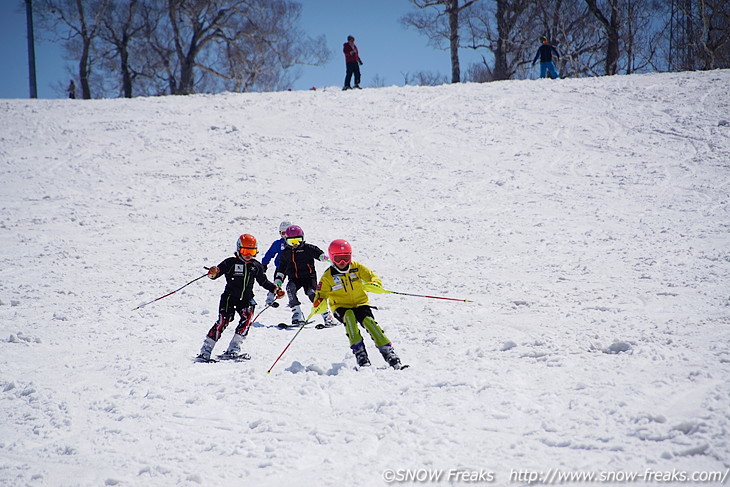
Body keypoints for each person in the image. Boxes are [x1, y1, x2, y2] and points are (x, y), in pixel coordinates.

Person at [313, 239, 405, 369]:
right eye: (338, 259)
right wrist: (319, 302)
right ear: (332, 258)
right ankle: (360, 354)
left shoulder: (357, 267)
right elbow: (321, 293)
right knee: (349, 317)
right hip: (340, 306)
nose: (343, 263)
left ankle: (389, 353)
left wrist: (375, 284)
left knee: (369, 322)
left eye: (346, 258)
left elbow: (373, 277)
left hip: (360, 303)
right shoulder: (328, 276)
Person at [196, 234, 284, 362]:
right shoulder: (231, 262)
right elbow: (216, 273)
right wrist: (213, 272)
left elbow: (263, 281)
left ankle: (233, 349)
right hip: (229, 298)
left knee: (247, 320)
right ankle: (205, 350)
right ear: (238, 249)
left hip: (246, 299)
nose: (248, 255)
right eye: (245, 251)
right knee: (223, 321)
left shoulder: (255, 266)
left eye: (252, 251)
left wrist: (276, 289)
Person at [274, 225, 337, 327]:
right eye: (291, 242)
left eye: (297, 241)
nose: (295, 244)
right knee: (290, 289)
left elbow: (318, 253)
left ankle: (327, 316)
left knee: (312, 293)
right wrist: (278, 279)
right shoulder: (286, 253)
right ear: (286, 241)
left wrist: (324, 257)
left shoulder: (307, 248)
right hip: (295, 278)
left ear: (302, 239)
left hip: (309, 278)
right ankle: (297, 315)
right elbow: (281, 268)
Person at [261, 220, 291, 307]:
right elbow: (270, 253)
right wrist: (264, 264)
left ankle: (293, 301)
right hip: (280, 267)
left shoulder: (295, 242)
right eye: (283, 233)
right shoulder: (278, 244)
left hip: (293, 267)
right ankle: (270, 299)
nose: (285, 235)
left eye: (287, 232)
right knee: (277, 283)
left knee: (293, 284)